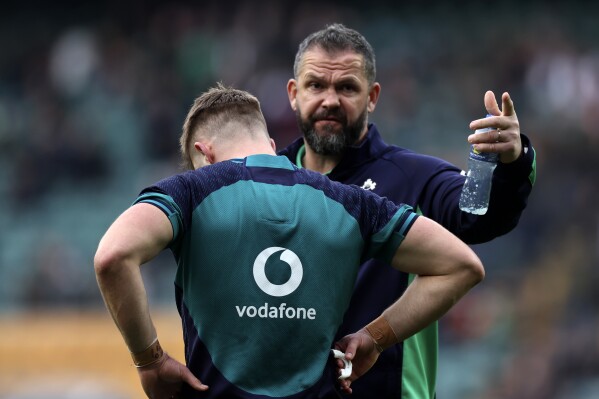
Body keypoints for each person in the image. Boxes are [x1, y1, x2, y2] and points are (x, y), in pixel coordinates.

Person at [94, 83, 484, 399]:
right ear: (267, 142)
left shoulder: (191, 191)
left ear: (203, 153)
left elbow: (113, 256)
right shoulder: (350, 202)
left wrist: (149, 361)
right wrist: (374, 337)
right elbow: (461, 266)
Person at [280, 23, 537, 398]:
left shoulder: (414, 177)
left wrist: (512, 161)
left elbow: (479, 216)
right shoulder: (265, 178)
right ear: (293, 93)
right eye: (316, 85)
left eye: (347, 87)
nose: (330, 100)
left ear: (372, 97)